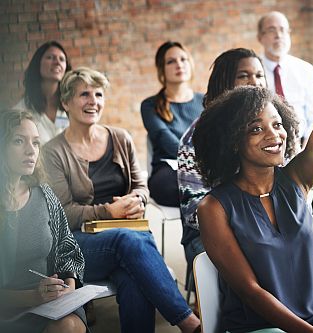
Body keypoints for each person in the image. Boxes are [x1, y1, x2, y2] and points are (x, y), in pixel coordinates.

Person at [193, 6, 313, 332]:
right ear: (234, 141)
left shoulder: (297, 178)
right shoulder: (214, 207)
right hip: (257, 323)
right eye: (256, 128)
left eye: (277, 125)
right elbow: (250, 291)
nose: (274, 135)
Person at [178, 48, 313, 300]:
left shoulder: (275, 129)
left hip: (278, 219)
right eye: (244, 76)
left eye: (259, 75)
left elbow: (294, 181)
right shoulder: (196, 139)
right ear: (223, 83)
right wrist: (255, 226)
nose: (254, 82)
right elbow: (194, 211)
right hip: (220, 228)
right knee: (266, 272)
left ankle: (304, 310)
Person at [42, 67, 200, 333]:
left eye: (99, 94)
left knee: (133, 275)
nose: (93, 101)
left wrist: (138, 199)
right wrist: (109, 211)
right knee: (129, 240)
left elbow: (141, 185)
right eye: (84, 94)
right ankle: (190, 322)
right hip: (77, 246)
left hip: (126, 236)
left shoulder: (120, 138)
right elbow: (63, 214)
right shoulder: (53, 152)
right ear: (66, 102)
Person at [0, 109, 87, 333]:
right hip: (9, 310)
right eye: (19, 141)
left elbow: (68, 249)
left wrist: (68, 287)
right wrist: (32, 297)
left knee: (69, 326)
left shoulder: (44, 193)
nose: (31, 151)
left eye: (36, 143)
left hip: (50, 304)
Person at [141, 41, 204, 207]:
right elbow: (164, 138)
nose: (179, 65)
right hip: (169, 170)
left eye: (183, 59)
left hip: (205, 166)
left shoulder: (205, 101)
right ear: (162, 69)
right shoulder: (150, 105)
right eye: (171, 61)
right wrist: (196, 161)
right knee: (186, 187)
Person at [257, 11, 313, 143]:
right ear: (260, 37)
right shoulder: (254, 70)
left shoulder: (306, 70)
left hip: (301, 144)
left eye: (283, 30)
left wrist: (308, 145)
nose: (278, 35)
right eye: (271, 30)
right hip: (266, 143)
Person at [13, 41, 72, 145]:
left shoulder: (71, 106)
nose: (57, 62)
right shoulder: (20, 112)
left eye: (61, 59)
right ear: (38, 64)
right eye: (50, 57)